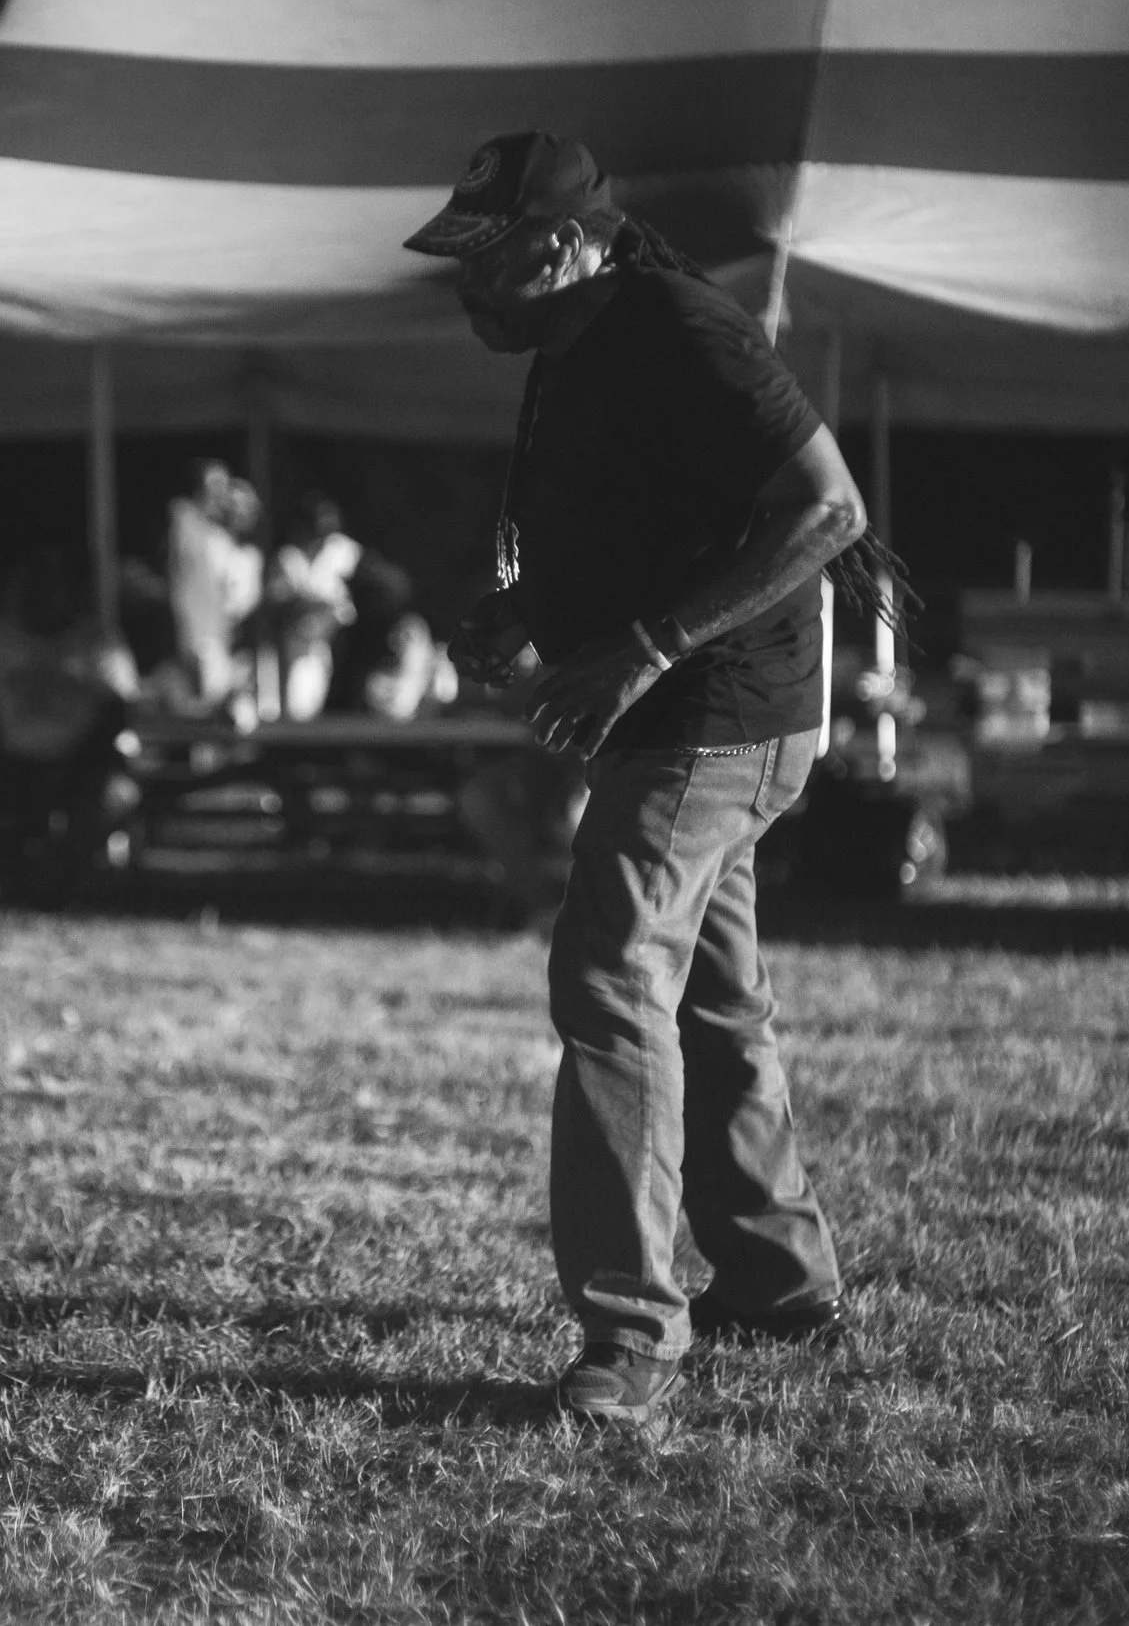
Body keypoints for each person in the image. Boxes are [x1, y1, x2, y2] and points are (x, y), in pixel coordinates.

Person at [410, 131, 893, 1427]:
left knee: (611, 972)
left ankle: (629, 1334)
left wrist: (640, 647)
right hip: (688, 707)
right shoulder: (574, 345)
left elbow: (828, 509)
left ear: (566, 243)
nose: (472, 290)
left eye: (492, 260)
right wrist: (527, 607)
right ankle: (781, 1282)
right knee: (712, 999)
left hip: (715, 709)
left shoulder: (682, 327)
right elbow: (639, 514)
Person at [0, 548, 142, 903]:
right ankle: (18, 881)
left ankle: (55, 883)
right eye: (30, 585)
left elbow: (120, 709)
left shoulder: (97, 640)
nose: (38, 594)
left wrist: (83, 757)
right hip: (12, 764)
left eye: (50, 586)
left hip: (83, 764)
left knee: (115, 798)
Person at [163, 458, 264, 717]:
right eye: (215, 484)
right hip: (197, 634)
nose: (222, 493)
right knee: (201, 707)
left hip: (221, 637)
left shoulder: (225, 540)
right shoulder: (184, 520)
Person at [266, 493, 363, 721]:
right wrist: (306, 604)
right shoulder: (288, 557)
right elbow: (276, 599)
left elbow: (355, 601)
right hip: (295, 638)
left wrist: (328, 612)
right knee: (292, 704)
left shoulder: (344, 551)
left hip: (335, 638)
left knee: (321, 701)